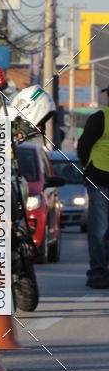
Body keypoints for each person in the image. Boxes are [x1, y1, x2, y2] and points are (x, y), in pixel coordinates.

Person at [77, 86, 109, 289]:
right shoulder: (100, 118)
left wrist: (89, 167)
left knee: (99, 228)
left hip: (99, 178)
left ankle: (98, 272)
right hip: (100, 179)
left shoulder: (99, 118)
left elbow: (83, 147)